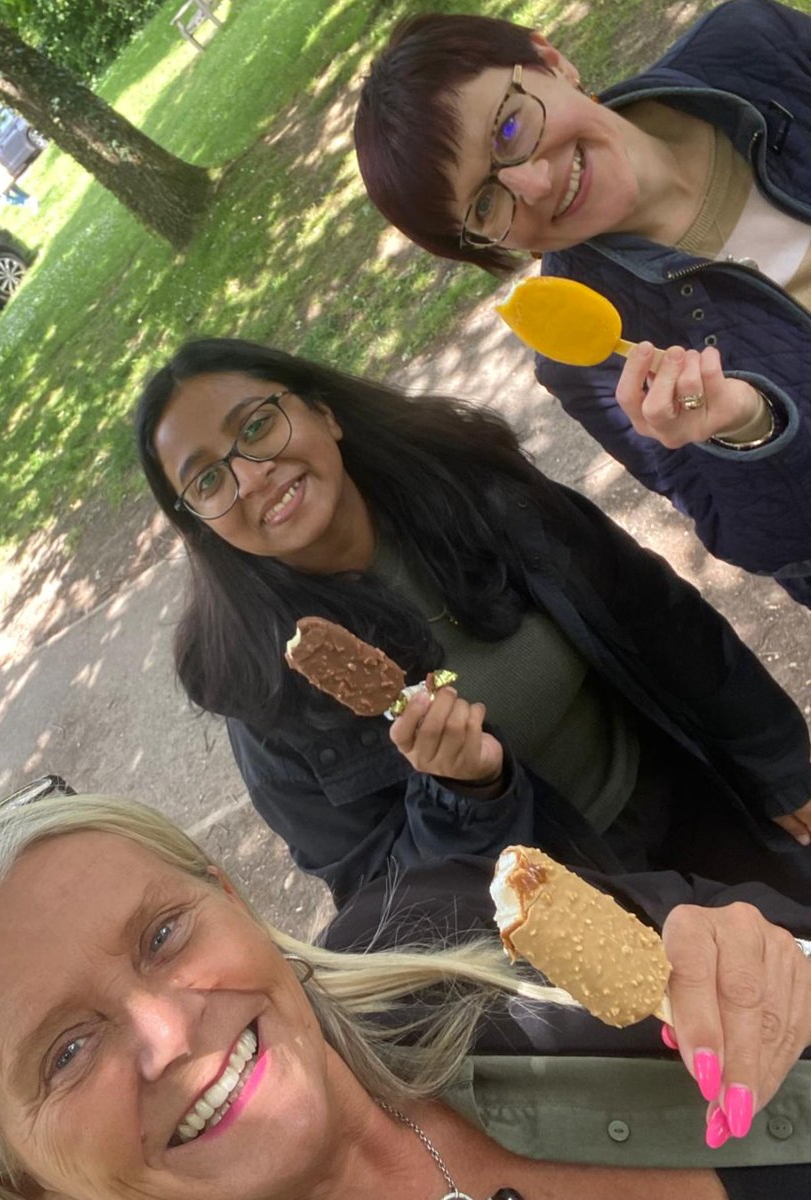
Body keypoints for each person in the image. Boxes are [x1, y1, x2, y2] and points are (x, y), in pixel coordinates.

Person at [0, 792, 811, 1200]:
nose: (168, 1031)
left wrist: (773, 965)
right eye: (66, 1052)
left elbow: (750, 937)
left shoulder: (447, 927)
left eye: (162, 935)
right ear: (23, 1185)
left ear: (230, 901)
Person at [135, 337, 811, 906]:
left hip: (691, 793)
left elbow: (659, 616)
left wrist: (781, 765)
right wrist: (464, 799)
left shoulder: (476, 490)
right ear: (200, 528)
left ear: (322, 412)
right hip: (580, 925)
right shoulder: (263, 696)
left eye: (257, 427)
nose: (250, 478)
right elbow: (382, 903)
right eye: (207, 481)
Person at [353, 0, 811, 608]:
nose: (535, 184)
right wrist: (747, 430)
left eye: (509, 128)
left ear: (551, 61)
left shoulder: (753, 48)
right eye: (487, 205)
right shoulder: (587, 356)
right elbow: (772, 545)